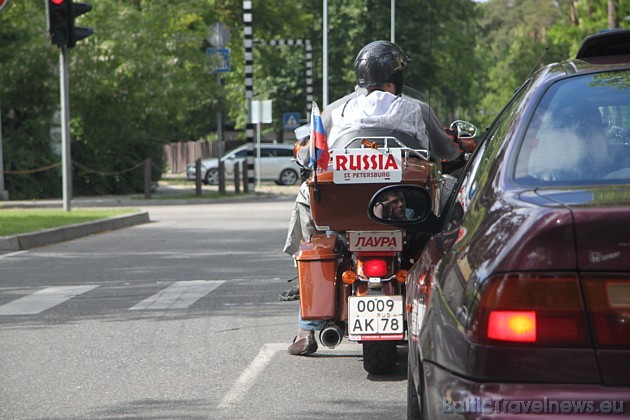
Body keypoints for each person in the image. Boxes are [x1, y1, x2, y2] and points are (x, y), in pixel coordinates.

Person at [285, 40, 466, 356]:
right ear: (395, 78)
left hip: (346, 209)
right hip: (407, 206)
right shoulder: (415, 109)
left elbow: (310, 153)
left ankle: (307, 327)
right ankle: (453, 302)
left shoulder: (335, 110)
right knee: (454, 201)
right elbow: (450, 151)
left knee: (307, 203)